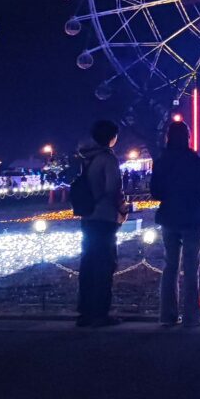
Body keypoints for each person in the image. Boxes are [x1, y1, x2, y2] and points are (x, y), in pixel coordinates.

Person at [150, 119, 200, 327]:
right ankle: (191, 316)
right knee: (191, 265)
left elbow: (155, 192)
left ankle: (167, 315)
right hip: (193, 216)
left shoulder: (161, 162)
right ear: (187, 137)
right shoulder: (194, 161)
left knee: (170, 266)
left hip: (169, 216)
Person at [75, 119, 127, 328]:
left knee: (88, 263)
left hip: (88, 215)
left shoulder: (86, 157)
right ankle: (101, 312)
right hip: (105, 216)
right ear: (111, 137)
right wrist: (122, 209)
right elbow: (113, 188)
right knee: (105, 264)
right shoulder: (107, 158)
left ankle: (85, 311)